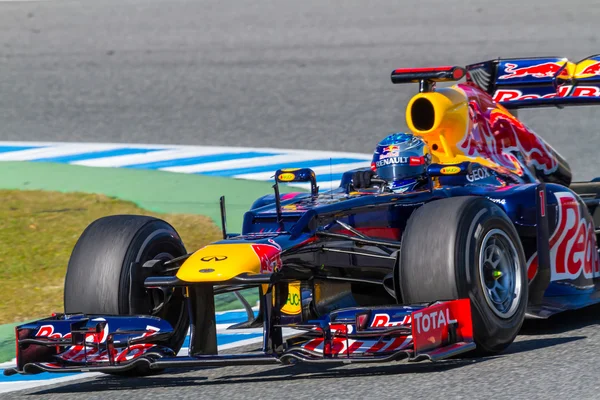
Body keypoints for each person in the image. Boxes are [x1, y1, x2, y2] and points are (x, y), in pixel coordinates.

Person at [352, 132, 432, 193]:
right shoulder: (380, 192)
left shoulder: (440, 186)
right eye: (387, 171)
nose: (398, 176)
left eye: (404, 170)